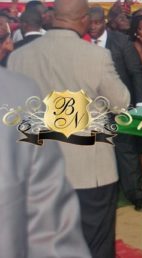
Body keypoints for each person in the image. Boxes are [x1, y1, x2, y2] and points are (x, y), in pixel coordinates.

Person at [8, 0, 130, 258]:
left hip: (37, 170)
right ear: (84, 20)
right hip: (89, 170)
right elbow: (120, 102)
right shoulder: (95, 56)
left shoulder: (19, 57)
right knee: (95, 244)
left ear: (52, 17)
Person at [0, 68, 91, 257]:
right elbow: (121, 99)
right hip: (84, 154)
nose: (7, 44)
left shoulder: (19, 64)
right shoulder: (16, 90)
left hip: (47, 160)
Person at [88, 7, 142, 212]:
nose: (93, 27)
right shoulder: (82, 43)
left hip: (121, 105)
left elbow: (136, 72)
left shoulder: (121, 42)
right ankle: (105, 195)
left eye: (96, 23)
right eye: (90, 23)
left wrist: (138, 104)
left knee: (126, 150)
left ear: (104, 22)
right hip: (93, 109)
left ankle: (136, 195)